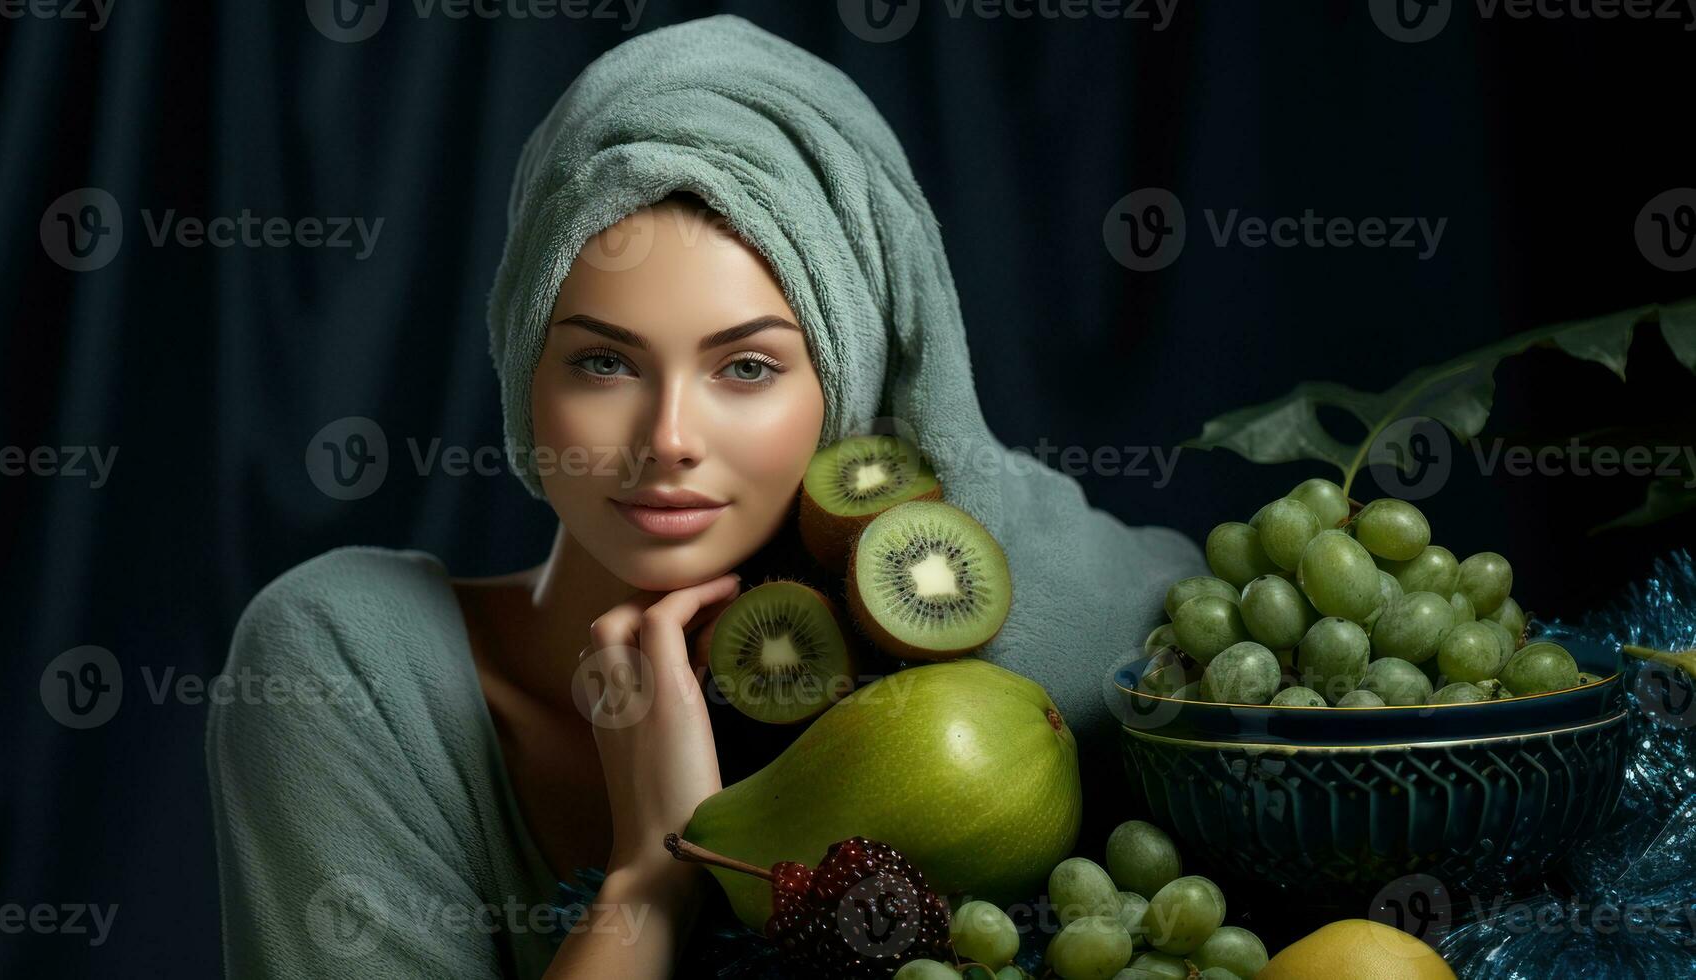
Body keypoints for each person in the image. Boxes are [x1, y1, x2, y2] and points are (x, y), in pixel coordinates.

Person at [206, 14, 1202, 980]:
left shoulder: (976, 707)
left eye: (748, 368)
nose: (668, 439)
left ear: (844, 399)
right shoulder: (341, 664)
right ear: (523, 373)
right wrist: (651, 876)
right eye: (604, 360)